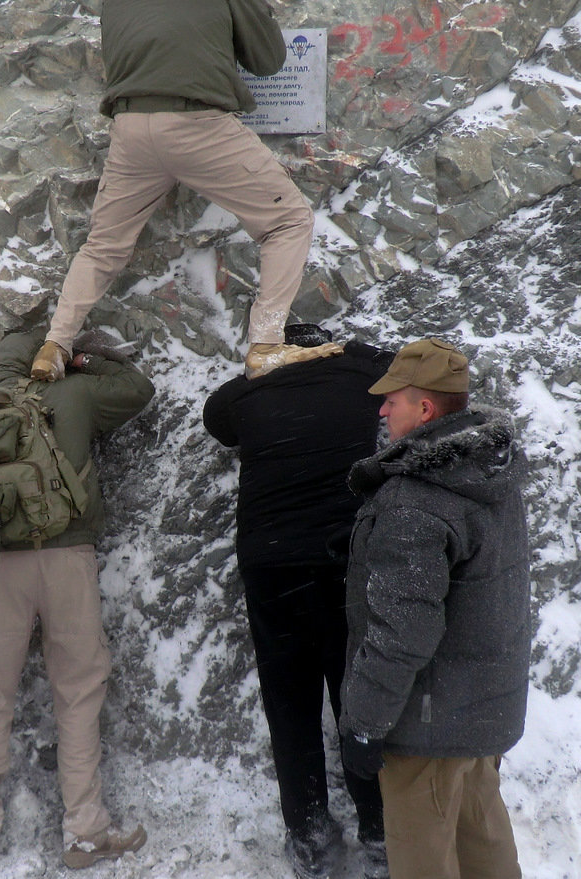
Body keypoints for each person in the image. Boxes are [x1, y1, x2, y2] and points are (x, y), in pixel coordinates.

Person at [30, 0, 337, 384]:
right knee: (288, 221)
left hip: (131, 128)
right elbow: (269, 59)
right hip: (198, 125)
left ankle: (54, 343)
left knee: (103, 246)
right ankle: (267, 344)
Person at [0, 328, 155, 869]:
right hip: (67, 558)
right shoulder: (73, 393)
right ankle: (85, 830)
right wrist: (79, 360)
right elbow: (137, 388)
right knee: (78, 692)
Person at [202, 324, 392, 879]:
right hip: (344, 563)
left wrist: (262, 371)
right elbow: (404, 364)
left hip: (272, 566)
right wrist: (350, 351)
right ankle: (380, 834)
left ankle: (308, 839)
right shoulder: (360, 373)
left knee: (289, 705)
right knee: (358, 702)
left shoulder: (248, 392)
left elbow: (217, 420)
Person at [338, 339, 531, 879]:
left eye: (392, 400)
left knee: (425, 862)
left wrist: (365, 725)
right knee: (483, 846)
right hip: (480, 708)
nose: (381, 410)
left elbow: (403, 631)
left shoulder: (415, 499)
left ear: (424, 409)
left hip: (426, 724)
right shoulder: (487, 469)